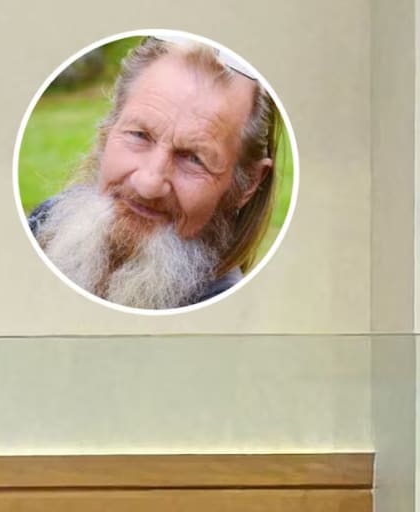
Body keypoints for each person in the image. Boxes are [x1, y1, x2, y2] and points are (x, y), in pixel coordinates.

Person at [28, 36, 279, 310]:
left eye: (194, 158)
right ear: (108, 130)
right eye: (139, 135)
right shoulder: (46, 222)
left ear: (248, 185)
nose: (148, 184)